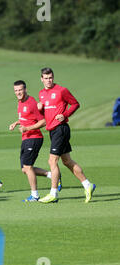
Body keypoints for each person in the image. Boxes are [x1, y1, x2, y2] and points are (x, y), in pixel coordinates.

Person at [37, 67, 95, 203]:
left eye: (50, 77)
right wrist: (40, 110)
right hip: (52, 130)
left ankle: (53, 194)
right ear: (41, 79)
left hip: (61, 129)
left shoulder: (61, 90)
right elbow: (45, 116)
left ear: (53, 77)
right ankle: (88, 185)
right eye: (45, 78)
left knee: (52, 161)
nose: (48, 80)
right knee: (67, 161)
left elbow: (75, 104)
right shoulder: (41, 94)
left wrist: (65, 115)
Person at [8, 80, 61, 202]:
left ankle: (35, 195)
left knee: (27, 167)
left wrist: (28, 128)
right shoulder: (20, 102)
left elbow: (43, 121)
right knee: (24, 169)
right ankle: (52, 175)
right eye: (16, 90)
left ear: (25, 89)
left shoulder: (31, 102)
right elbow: (26, 118)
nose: (18, 92)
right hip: (26, 138)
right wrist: (16, 123)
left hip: (34, 138)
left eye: (20, 90)